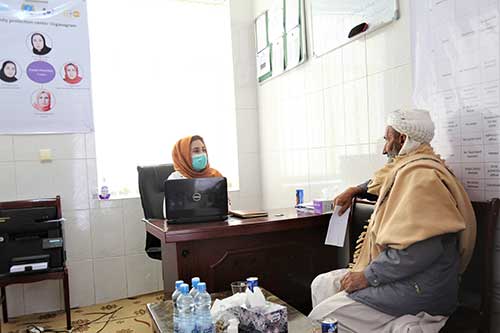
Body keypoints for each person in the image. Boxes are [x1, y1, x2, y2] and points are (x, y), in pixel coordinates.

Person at [309, 109, 476, 332]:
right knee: (322, 284)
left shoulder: (423, 179)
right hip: (403, 278)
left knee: (324, 316)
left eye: (388, 140)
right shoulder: (411, 168)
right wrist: (354, 190)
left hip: (421, 288)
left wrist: (368, 276)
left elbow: (421, 251)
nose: (385, 148)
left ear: (403, 139)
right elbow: (383, 180)